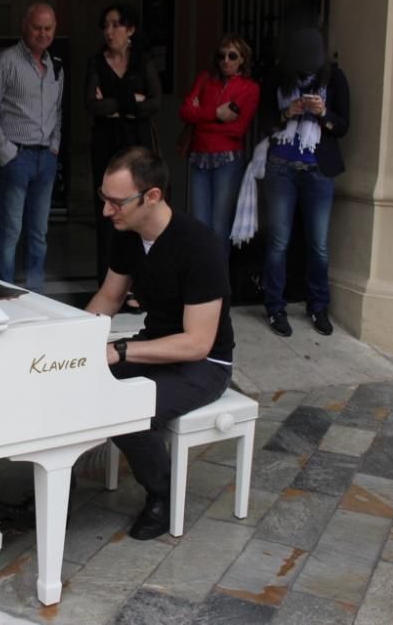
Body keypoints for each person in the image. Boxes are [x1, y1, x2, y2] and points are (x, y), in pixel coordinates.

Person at [86, 146, 234, 540]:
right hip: (157, 346)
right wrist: (78, 342)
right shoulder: (129, 233)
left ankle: (163, 496)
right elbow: (109, 298)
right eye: (104, 199)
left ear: (152, 196)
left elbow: (198, 344)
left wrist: (118, 350)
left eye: (116, 202)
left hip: (204, 366)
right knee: (81, 380)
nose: (106, 211)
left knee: (126, 407)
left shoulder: (199, 246)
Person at [260, 27, 350, 337]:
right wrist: (288, 112)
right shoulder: (277, 77)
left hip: (318, 169)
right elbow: (263, 120)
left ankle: (318, 306)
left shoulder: (335, 79)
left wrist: (323, 113)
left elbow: (343, 126)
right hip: (281, 167)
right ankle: (275, 307)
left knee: (319, 245)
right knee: (278, 242)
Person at [0, 2, 63, 293]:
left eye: (48, 28)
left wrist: (54, 147)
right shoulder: (6, 62)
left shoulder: (55, 67)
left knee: (39, 234)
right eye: (37, 27)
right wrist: (6, 152)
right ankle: (7, 292)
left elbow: (57, 111)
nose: (42, 33)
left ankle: (37, 293)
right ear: (25, 27)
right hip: (16, 158)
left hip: (45, 159)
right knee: (11, 232)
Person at [85, 3, 161, 292]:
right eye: (105, 25)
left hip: (137, 145)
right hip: (106, 144)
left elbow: (155, 103)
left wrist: (114, 103)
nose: (109, 31)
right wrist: (131, 102)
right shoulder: (96, 62)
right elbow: (91, 105)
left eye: (116, 24)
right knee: (107, 212)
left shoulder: (143, 60)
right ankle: (107, 285)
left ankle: (137, 287)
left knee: (138, 211)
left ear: (130, 29)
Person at [177, 34, 260, 257]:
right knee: (199, 225)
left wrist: (200, 116)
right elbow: (185, 111)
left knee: (219, 226)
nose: (226, 60)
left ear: (242, 59)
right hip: (200, 157)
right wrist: (216, 113)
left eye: (232, 56)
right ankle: (201, 282)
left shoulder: (249, 88)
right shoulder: (205, 79)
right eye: (221, 56)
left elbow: (237, 129)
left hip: (228, 160)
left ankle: (219, 287)